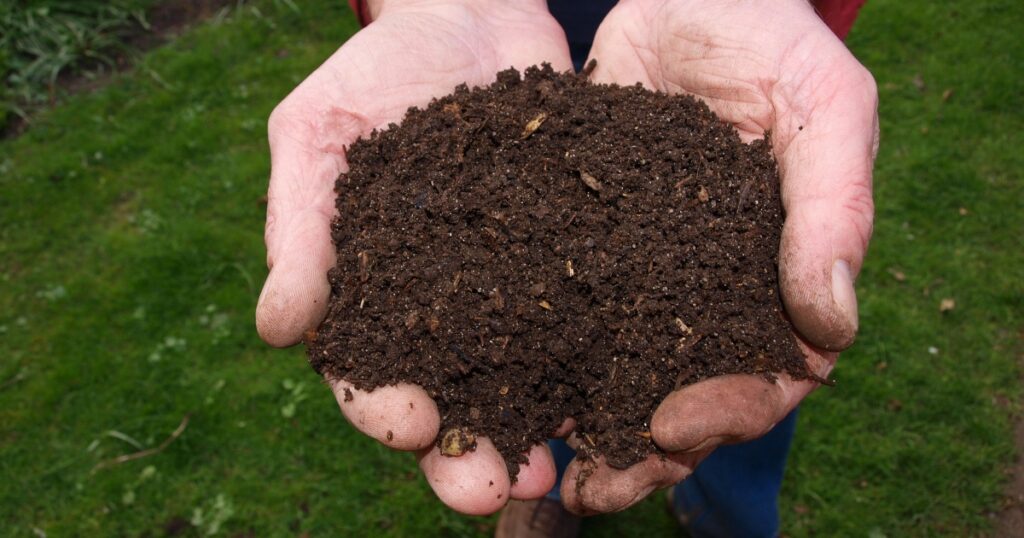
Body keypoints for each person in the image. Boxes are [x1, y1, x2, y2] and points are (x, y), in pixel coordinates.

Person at [255, 0, 878, 536]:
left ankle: (726, 517)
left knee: (738, 394)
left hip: (692, 44)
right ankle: (551, 497)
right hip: (496, 24)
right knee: (550, 397)